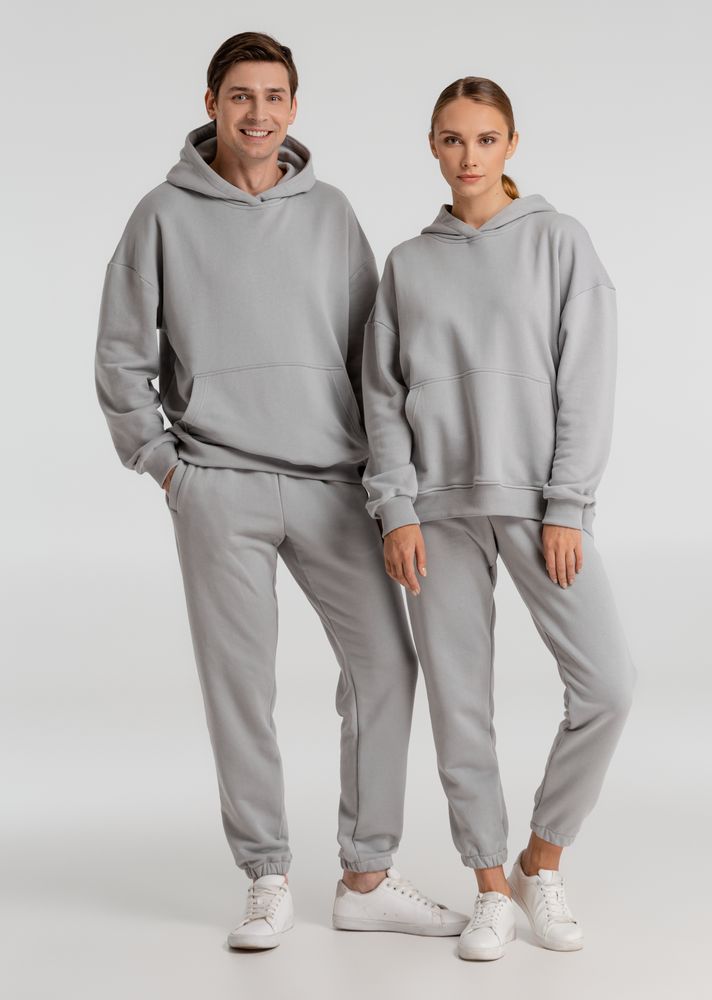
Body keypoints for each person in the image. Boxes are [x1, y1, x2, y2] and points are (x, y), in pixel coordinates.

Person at [94, 32, 468, 951]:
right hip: (217, 482)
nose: (257, 113)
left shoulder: (330, 213)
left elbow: (373, 359)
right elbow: (120, 357)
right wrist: (167, 467)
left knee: (386, 668)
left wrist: (389, 485)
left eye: (273, 96)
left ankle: (367, 875)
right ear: (212, 104)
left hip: (332, 483)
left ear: (293, 108)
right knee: (241, 686)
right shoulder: (161, 216)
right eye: (240, 96)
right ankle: (266, 875)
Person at [360, 76, 638, 962]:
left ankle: (538, 862)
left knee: (607, 685)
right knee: (460, 703)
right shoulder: (408, 264)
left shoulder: (559, 242)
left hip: (537, 506)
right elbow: (381, 397)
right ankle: (488, 885)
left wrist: (568, 503)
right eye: (452, 139)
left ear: (511, 144)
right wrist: (395, 506)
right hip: (436, 514)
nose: (468, 156)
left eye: (485, 139)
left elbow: (587, 381)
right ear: (432, 147)